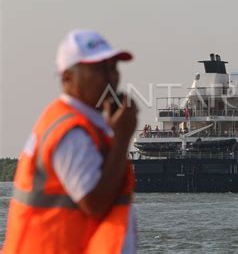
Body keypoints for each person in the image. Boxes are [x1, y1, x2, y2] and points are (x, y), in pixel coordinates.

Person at [3, 30, 138, 253]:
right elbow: (95, 203)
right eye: (98, 69)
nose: (110, 77)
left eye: (112, 67)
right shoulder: (70, 132)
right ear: (67, 77)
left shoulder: (87, 125)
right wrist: (123, 137)